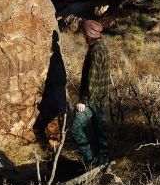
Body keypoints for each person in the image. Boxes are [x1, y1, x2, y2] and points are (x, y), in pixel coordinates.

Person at [70, 20, 111, 166]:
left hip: (92, 100)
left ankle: (90, 161)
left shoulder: (96, 50)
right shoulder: (101, 47)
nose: (82, 35)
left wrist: (83, 101)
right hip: (100, 100)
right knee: (101, 134)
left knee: (75, 128)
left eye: (83, 33)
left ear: (89, 34)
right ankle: (103, 164)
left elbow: (92, 80)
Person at [32, 31, 67, 148]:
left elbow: (55, 82)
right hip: (56, 98)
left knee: (45, 124)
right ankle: (52, 146)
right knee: (50, 121)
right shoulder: (57, 56)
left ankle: (51, 147)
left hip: (54, 99)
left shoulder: (54, 57)